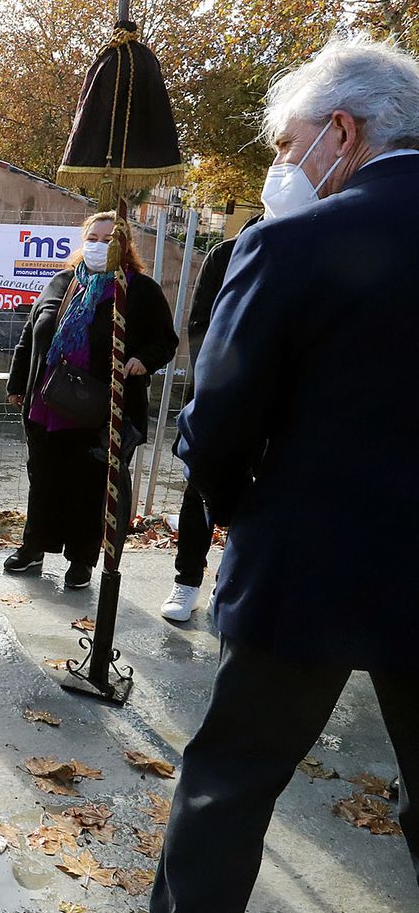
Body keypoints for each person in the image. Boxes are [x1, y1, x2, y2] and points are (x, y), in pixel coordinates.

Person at [150, 38, 419, 913]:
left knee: (230, 780)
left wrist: (233, 511)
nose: (280, 165)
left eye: (284, 143)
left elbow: (220, 418)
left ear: (339, 132)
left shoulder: (295, 239)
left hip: (309, 565)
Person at [3, 210, 177, 589]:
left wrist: (141, 360)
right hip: (47, 405)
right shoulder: (62, 282)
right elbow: (31, 335)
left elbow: (166, 342)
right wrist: (18, 383)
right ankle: (33, 547)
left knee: (91, 487)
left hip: (102, 412)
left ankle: (81, 559)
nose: (98, 246)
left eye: (108, 239)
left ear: (125, 245)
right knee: (44, 481)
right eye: (93, 238)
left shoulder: (139, 291)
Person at [160, 211, 261, 622]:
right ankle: (186, 581)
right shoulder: (226, 253)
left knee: (257, 501)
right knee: (197, 489)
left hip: (276, 406)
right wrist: (219, 382)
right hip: (218, 398)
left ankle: (230, 584)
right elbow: (201, 325)